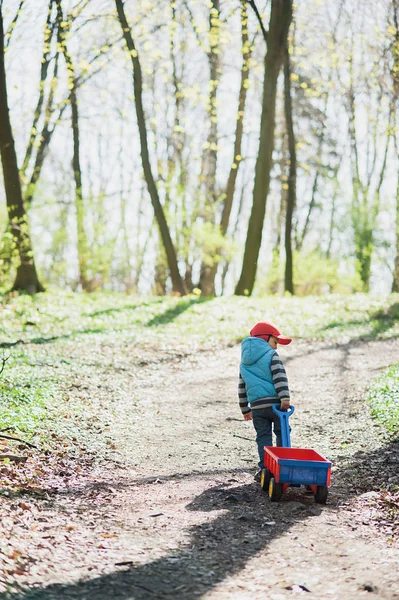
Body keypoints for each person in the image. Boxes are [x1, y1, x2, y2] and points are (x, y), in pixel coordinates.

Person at [238, 321, 292, 480]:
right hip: (275, 404)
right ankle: (284, 463)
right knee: (282, 432)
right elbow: (279, 376)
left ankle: (266, 469)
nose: (276, 347)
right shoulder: (271, 355)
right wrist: (284, 397)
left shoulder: (244, 362)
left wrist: (245, 409)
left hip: (257, 407)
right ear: (265, 338)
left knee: (263, 436)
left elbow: (242, 386)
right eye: (275, 341)